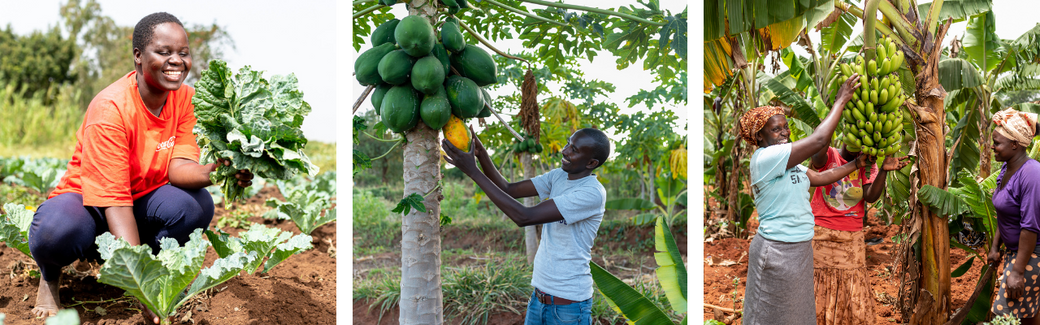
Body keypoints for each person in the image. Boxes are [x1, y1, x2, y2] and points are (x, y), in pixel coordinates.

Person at [28, 13, 250, 323]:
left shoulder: (186, 99)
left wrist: (219, 171)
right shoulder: (111, 107)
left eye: (183, 53)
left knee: (196, 204)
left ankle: (148, 267)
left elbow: (179, 168)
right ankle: (51, 276)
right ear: (138, 57)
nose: (176, 61)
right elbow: (115, 202)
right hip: (89, 201)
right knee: (56, 232)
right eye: (164, 52)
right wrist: (139, 282)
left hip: (143, 197)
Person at [442, 128, 609, 325]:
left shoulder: (592, 193)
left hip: (569, 306)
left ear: (591, 163)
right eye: (567, 143)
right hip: (538, 298)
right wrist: (482, 154)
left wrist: (472, 171)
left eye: (574, 149)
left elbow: (524, 216)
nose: (564, 151)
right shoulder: (559, 176)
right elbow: (508, 189)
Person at [738, 73, 864, 325]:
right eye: (776, 129)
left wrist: (858, 164)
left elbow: (823, 177)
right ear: (759, 137)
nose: (784, 132)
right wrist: (840, 101)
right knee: (769, 315)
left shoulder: (788, 162)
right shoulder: (766, 158)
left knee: (796, 315)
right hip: (777, 250)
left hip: (800, 249)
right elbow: (819, 140)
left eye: (785, 127)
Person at [810, 144, 909, 325]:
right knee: (820, 286)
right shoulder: (828, 155)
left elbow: (870, 196)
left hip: (851, 237)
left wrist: (883, 171)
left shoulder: (867, 162)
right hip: (821, 236)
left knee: (852, 287)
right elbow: (817, 154)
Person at [987, 108, 1040, 324]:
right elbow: (1005, 211)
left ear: (1015, 145)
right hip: (1016, 253)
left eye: (997, 143)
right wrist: (994, 247)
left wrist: (1017, 272)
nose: (993, 147)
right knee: (1029, 318)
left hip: (1031, 257)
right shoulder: (1007, 169)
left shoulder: (1031, 174)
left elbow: (1030, 226)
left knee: (1002, 317)